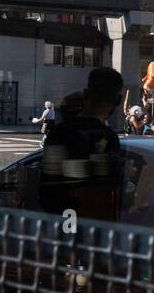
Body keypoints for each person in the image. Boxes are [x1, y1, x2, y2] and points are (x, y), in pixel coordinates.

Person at [40, 67, 126, 220]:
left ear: (86, 94)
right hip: (97, 220)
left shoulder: (59, 132)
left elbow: (47, 186)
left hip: (62, 218)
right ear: (117, 101)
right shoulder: (108, 137)